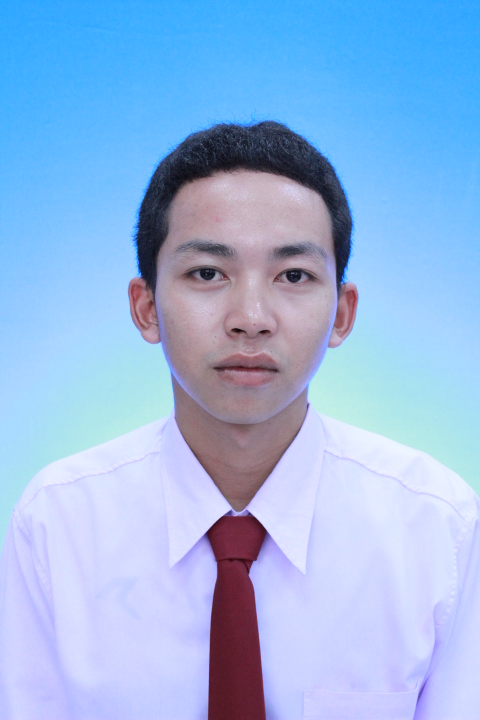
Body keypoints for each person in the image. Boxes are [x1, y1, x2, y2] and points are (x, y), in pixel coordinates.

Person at [0, 121, 478, 720]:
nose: (251, 317)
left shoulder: (439, 532)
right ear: (146, 308)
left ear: (341, 313)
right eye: (207, 273)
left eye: (293, 276)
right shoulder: (57, 525)